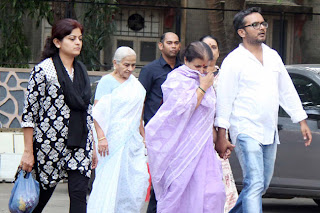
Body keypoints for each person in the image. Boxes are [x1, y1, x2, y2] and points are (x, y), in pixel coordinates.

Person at [214, 7, 312, 213]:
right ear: (242, 32)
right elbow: (224, 98)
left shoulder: (273, 56)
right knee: (255, 183)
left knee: (260, 185)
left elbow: (286, 89)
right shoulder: (234, 60)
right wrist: (221, 134)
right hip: (245, 129)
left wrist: (301, 119)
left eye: (263, 23)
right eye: (255, 25)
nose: (262, 28)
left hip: (269, 130)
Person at [19, 18, 97, 213]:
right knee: (38, 201)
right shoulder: (43, 71)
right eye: (72, 38)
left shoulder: (81, 71)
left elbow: (87, 112)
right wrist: (28, 151)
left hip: (79, 144)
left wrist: (93, 145)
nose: (78, 42)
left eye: (80, 38)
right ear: (57, 42)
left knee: (80, 198)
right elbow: (29, 114)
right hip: (49, 146)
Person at [145, 41, 226, 213]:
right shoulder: (177, 79)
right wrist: (203, 87)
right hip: (180, 149)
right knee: (180, 195)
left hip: (203, 148)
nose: (202, 71)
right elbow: (182, 109)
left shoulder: (206, 78)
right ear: (186, 60)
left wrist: (219, 137)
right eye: (198, 66)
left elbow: (209, 113)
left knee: (214, 194)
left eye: (206, 66)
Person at [87, 46, 149, 213]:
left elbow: (138, 115)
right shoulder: (107, 82)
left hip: (132, 141)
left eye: (133, 65)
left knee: (135, 181)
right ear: (116, 63)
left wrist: (143, 137)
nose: (130, 69)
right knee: (109, 182)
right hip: (111, 141)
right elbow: (97, 112)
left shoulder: (134, 85)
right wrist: (101, 138)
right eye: (126, 65)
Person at [138, 32, 182, 213]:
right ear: (161, 46)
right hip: (156, 133)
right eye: (169, 43)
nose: (173, 46)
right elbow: (140, 99)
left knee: (176, 179)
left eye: (176, 43)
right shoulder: (150, 70)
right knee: (159, 179)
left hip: (179, 131)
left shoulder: (183, 69)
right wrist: (140, 127)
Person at [200, 35, 238, 213]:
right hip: (198, 136)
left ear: (218, 52)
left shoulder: (226, 77)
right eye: (206, 46)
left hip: (220, 135)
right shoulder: (192, 75)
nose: (210, 50)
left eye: (214, 47)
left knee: (221, 183)